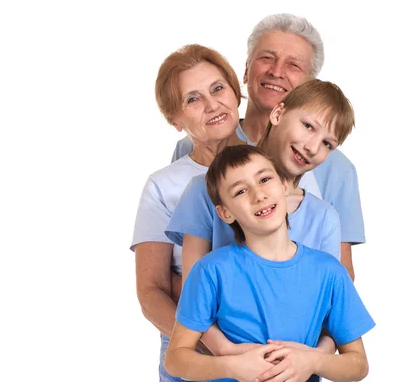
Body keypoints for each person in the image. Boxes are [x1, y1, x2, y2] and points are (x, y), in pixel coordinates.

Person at [166, 78, 355, 357]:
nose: (313, 147)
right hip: (219, 364)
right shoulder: (202, 192)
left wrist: (311, 359)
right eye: (308, 126)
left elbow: (332, 313)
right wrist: (231, 354)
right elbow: (191, 295)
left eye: (327, 143)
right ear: (277, 114)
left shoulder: (324, 218)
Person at [172, 13, 364, 280]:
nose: (276, 71)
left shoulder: (335, 173)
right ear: (246, 69)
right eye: (267, 58)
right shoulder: (196, 147)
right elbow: (182, 270)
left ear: (308, 86)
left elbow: (338, 276)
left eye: (294, 65)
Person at [165, 145, 375, 382]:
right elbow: (175, 359)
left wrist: (313, 361)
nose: (259, 195)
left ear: (284, 185)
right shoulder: (210, 271)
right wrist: (232, 366)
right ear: (225, 213)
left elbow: (358, 365)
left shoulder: (329, 272)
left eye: (264, 179)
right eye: (240, 191)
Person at [131, 44, 242, 381]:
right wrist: (216, 350)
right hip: (192, 354)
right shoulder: (162, 187)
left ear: (236, 93)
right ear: (175, 119)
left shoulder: (281, 169)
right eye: (192, 99)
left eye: (218, 88)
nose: (212, 105)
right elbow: (151, 293)